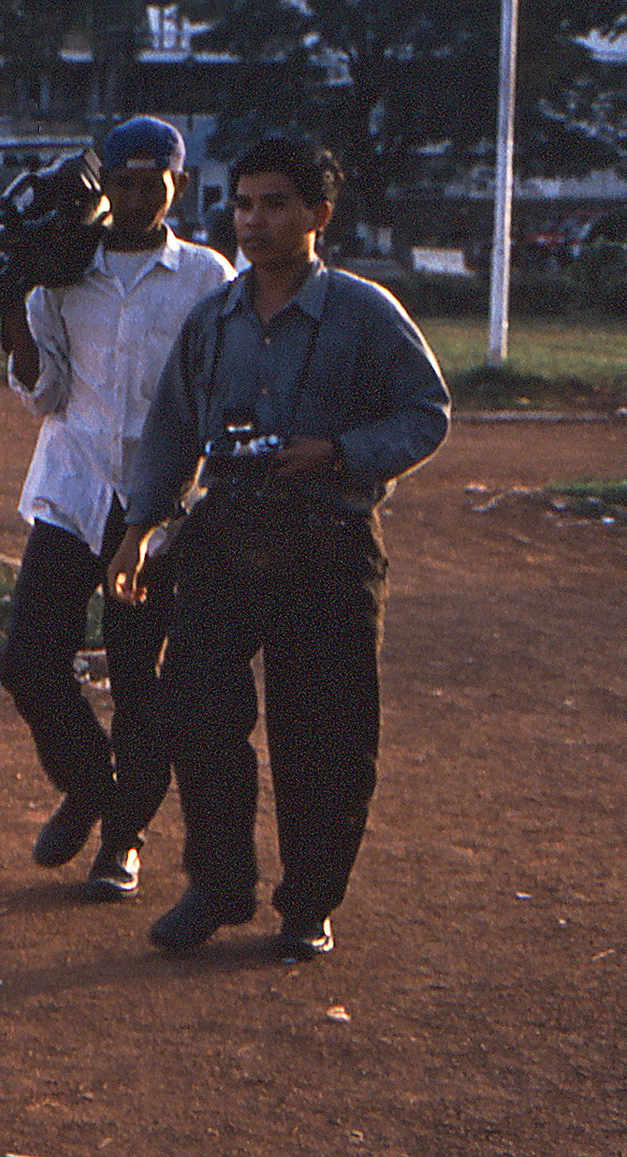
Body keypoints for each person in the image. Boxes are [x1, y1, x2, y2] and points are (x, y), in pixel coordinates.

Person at [112, 136, 449, 962]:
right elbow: (169, 433)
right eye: (243, 203)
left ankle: (308, 903)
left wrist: (340, 452)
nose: (253, 220)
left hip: (328, 544)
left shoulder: (365, 315)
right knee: (194, 706)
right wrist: (138, 530)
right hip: (226, 538)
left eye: (274, 204)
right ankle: (219, 884)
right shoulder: (214, 319)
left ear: (318, 217)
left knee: (325, 731)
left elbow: (427, 411)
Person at [0, 118, 233, 900]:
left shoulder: (205, 278)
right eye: (119, 183)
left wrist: (182, 500)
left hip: (157, 508)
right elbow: (46, 392)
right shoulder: (65, 269)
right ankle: (90, 783)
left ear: (179, 184)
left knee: (141, 681)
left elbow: (213, 392)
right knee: (29, 659)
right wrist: (14, 311)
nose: (133, 198)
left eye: (149, 182)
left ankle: (123, 838)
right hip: (73, 491)